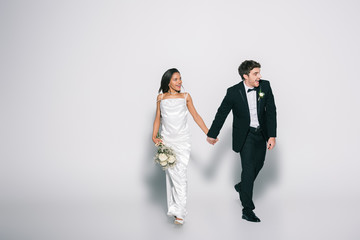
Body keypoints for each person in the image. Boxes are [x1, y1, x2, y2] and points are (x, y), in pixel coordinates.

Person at [207, 60, 277, 222]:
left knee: (259, 164)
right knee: (248, 168)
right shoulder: (233, 92)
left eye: (259, 72)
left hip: (262, 134)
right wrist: (212, 134)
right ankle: (247, 209)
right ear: (245, 76)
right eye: (255, 73)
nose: (259, 76)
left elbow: (271, 111)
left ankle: (241, 187)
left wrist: (272, 135)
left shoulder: (265, 86)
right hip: (245, 136)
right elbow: (221, 113)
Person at [152, 68, 211, 225]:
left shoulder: (186, 97)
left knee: (180, 175)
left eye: (180, 79)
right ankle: (175, 209)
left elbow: (196, 116)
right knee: (171, 176)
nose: (180, 82)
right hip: (167, 141)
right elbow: (158, 118)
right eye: (176, 79)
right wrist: (154, 135)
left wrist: (209, 133)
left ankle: (180, 213)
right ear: (168, 82)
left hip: (182, 141)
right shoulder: (160, 98)